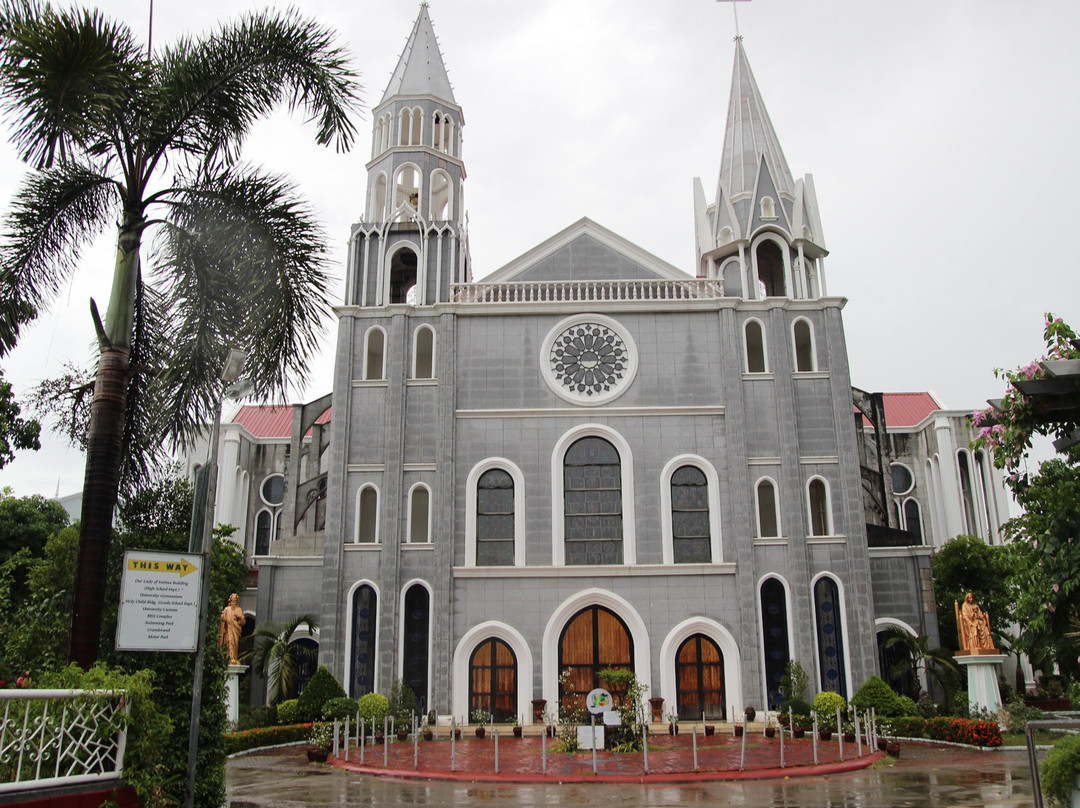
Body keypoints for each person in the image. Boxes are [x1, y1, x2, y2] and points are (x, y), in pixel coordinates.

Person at [218, 593, 246, 665]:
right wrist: (223, 618)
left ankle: (234, 657)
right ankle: (229, 657)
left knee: (235, 643)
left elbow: (243, 622)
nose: (233, 601)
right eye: (232, 600)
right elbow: (222, 619)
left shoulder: (239, 610)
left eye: (235, 600)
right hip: (228, 629)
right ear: (230, 600)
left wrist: (240, 617)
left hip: (235, 629)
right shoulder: (227, 609)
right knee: (229, 641)